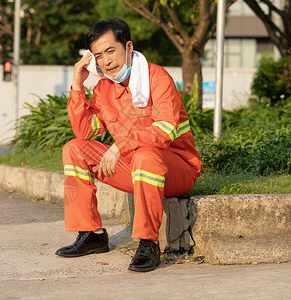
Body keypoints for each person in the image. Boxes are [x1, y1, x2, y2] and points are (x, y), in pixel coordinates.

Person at [55, 18, 203, 272]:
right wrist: (78, 86)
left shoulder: (157, 77)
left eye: (111, 51)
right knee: (74, 149)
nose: (106, 61)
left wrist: (119, 146)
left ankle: (148, 243)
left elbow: (165, 131)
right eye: (98, 55)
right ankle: (92, 235)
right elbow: (84, 131)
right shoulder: (104, 89)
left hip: (176, 169)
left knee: (146, 155)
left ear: (128, 47)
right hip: (136, 169)